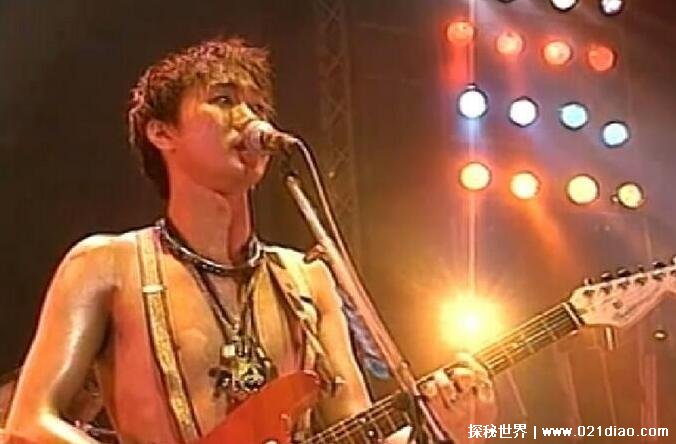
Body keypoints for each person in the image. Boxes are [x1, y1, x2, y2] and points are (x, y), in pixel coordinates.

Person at [3, 37, 496, 444]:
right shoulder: (105, 265)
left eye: (258, 106)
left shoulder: (309, 281)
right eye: (224, 100)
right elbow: (29, 423)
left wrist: (446, 433)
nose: (251, 118)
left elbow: (355, 428)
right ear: (162, 133)